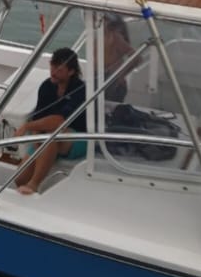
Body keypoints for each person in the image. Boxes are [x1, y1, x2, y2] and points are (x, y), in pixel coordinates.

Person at [7, 48, 87, 196]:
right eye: (52, 66)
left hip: (78, 136)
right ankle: (30, 183)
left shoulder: (80, 90)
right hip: (46, 134)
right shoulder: (47, 86)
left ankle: (34, 184)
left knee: (52, 135)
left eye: (59, 69)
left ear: (71, 72)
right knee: (20, 178)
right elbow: (39, 117)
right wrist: (36, 136)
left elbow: (59, 122)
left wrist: (27, 127)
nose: (53, 72)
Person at [102, 13, 133, 103]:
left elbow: (136, 58)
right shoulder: (101, 36)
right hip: (102, 80)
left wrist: (120, 75)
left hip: (113, 84)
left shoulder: (115, 37)